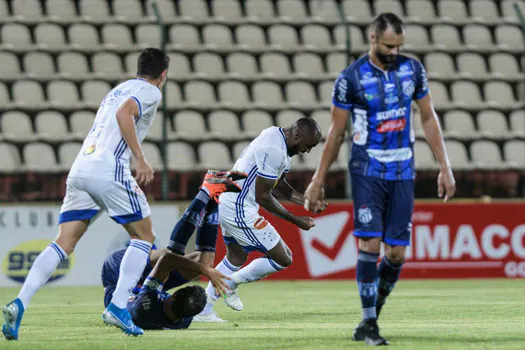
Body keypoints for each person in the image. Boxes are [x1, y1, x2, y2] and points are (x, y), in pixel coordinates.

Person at [303, 13, 457, 346]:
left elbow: (428, 117)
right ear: (372, 39)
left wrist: (444, 166)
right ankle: (369, 321)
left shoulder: (412, 70)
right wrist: (318, 178)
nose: (394, 52)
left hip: (403, 169)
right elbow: (337, 131)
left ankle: (372, 312)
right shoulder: (351, 78)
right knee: (370, 244)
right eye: (389, 45)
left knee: (398, 253)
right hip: (367, 168)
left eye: (399, 46)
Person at [2, 48, 170, 339]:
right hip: (109, 170)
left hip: (81, 168)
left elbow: (116, 110)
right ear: (163, 75)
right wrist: (139, 158)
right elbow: (124, 114)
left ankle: (20, 302)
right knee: (144, 237)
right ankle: (118, 306)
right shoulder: (151, 92)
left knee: (63, 243)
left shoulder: (117, 89)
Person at [195, 117, 325, 322]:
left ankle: (202, 310)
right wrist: (296, 220)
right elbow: (263, 196)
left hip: (232, 200)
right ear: (298, 135)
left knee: (236, 257)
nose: (307, 151)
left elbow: (279, 185)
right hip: (239, 207)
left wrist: (306, 200)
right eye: (307, 146)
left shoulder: (276, 136)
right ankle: (230, 283)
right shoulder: (274, 150)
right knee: (284, 258)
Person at [101, 170, 247, 330]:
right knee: (205, 260)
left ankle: (206, 191)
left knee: (172, 255)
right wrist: (207, 267)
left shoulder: (145, 306)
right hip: (142, 287)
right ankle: (214, 197)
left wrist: (207, 272)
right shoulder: (183, 321)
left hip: (118, 273)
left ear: (175, 295)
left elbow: (167, 261)